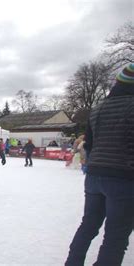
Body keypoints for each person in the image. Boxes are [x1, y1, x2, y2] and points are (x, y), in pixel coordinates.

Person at [65, 63, 134, 266]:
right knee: (115, 237)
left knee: (88, 226)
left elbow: (91, 144)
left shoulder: (98, 108)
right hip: (124, 178)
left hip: (94, 177)